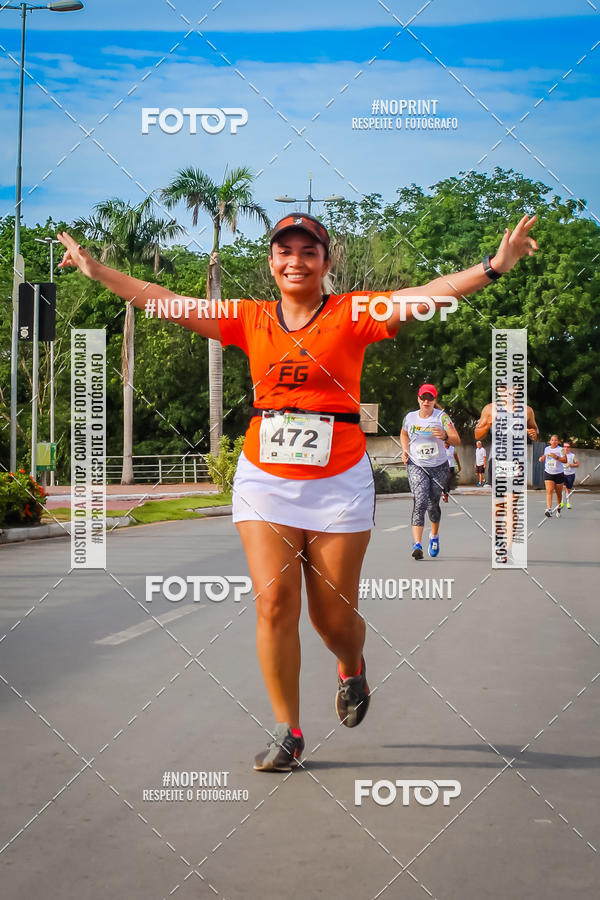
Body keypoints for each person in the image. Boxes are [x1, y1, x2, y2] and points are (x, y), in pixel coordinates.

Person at [57, 211, 538, 772]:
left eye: (308, 251)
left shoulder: (355, 313)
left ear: (325, 262)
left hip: (338, 482)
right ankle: (288, 730)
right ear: (271, 261)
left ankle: (352, 665)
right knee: (274, 604)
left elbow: (425, 294)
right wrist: (98, 271)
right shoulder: (248, 319)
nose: (295, 260)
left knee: (331, 619)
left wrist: (493, 267)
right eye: (284, 251)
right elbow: (166, 299)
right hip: (265, 478)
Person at [400, 385, 461, 558]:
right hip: (416, 465)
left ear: (435, 400)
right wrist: (405, 450)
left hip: (438, 466)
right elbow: (404, 434)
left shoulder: (442, 417)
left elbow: (457, 439)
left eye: (430, 398)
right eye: (423, 398)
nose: (426, 401)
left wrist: (445, 436)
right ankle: (417, 545)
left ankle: (434, 536)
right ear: (418, 399)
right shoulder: (410, 417)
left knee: (433, 504)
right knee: (420, 501)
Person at [474, 389, 539, 550]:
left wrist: (533, 434)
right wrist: (489, 423)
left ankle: (507, 546)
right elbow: (477, 434)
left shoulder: (527, 410)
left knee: (512, 505)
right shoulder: (490, 409)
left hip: (517, 461)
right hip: (498, 460)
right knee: (499, 505)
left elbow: (535, 432)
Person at [539, 435, 567, 517]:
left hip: (559, 473)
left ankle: (558, 508)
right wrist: (542, 458)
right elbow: (545, 456)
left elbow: (565, 460)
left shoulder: (561, 450)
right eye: (552, 440)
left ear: (558, 441)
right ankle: (549, 509)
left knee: (558, 494)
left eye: (555, 440)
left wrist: (556, 457)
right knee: (549, 491)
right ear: (550, 441)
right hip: (548, 472)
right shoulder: (547, 449)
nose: (554, 441)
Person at [561, 442, 579, 509]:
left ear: (570, 448)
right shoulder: (561, 455)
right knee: (563, 488)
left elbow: (577, 464)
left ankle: (568, 502)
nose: (566, 448)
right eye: (565, 446)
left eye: (568, 447)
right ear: (563, 447)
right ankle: (562, 502)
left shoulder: (573, 456)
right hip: (562, 474)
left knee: (568, 489)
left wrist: (571, 465)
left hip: (570, 475)